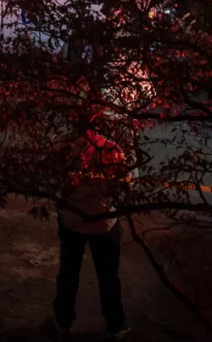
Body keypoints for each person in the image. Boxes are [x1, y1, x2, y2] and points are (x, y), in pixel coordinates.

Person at [53, 129, 130, 339]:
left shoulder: (60, 145)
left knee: (68, 272)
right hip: (103, 222)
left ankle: (63, 320)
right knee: (108, 276)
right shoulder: (111, 149)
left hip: (71, 221)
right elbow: (126, 184)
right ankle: (115, 324)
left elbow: (50, 179)